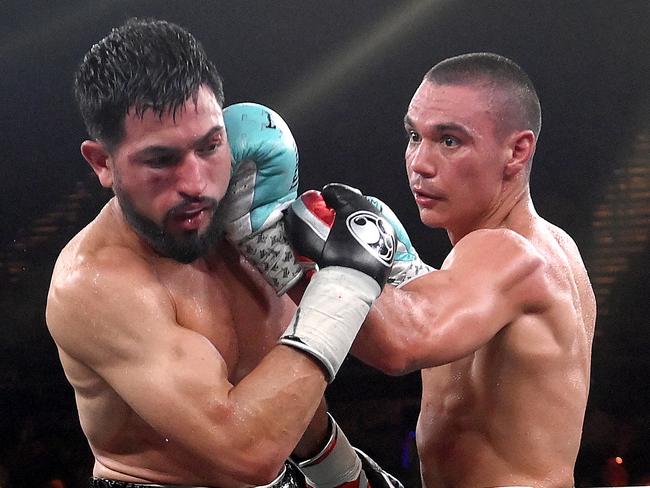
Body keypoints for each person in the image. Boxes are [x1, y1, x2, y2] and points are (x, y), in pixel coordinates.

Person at [45, 17, 402, 488]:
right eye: (161, 159)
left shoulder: (244, 219)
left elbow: (282, 379)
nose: (196, 184)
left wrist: (339, 472)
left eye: (210, 146)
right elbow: (247, 451)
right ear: (102, 163)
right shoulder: (96, 286)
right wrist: (344, 285)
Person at [288, 53, 596, 487]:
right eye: (415, 136)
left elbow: (399, 345)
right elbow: (456, 306)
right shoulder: (548, 248)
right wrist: (401, 268)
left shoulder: (512, 253)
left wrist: (288, 257)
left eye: (449, 141)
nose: (420, 163)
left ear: (516, 150)